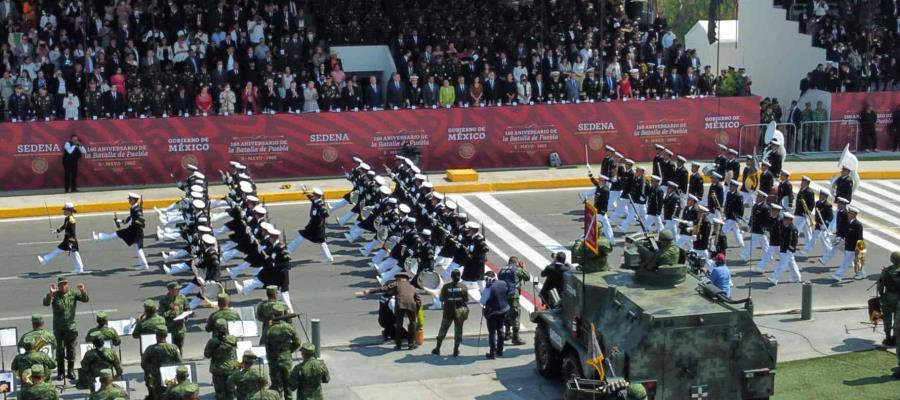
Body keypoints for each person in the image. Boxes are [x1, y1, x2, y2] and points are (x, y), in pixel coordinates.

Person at [41, 276, 88, 380]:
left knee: (71, 351)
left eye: (65, 284)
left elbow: (85, 300)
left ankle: (70, 371)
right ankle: (60, 373)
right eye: (61, 285)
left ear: (68, 285)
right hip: (59, 328)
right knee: (60, 352)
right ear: (58, 286)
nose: (63, 286)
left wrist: (82, 291)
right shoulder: (55, 295)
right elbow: (45, 303)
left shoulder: (73, 294)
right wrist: (50, 294)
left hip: (71, 328)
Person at [361, 272, 420, 350]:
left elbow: (384, 289)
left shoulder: (396, 284)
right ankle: (411, 344)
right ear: (406, 279)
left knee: (399, 324)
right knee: (412, 323)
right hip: (411, 305)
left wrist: (370, 291)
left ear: (398, 278)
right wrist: (417, 310)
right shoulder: (412, 286)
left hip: (399, 305)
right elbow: (418, 299)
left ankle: (398, 345)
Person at [93, 193, 149, 270]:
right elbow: (130, 218)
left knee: (116, 234)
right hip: (134, 230)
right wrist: (120, 221)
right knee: (138, 248)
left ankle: (99, 237)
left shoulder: (136, 209)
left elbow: (140, 220)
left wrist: (132, 223)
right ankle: (144, 265)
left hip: (135, 231)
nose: (129, 200)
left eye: (130, 199)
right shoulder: (134, 208)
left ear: (133, 200)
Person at [261, 304, 300, 398]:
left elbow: (263, 342)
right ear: (283, 313)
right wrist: (289, 350)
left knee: (276, 386)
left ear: (273, 314)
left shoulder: (269, 329)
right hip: (286, 359)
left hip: (274, 360)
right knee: (288, 385)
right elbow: (298, 342)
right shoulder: (289, 327)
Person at [286, 188, 333, 263]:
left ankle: (288, 250)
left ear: (317, 196)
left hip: (316, 226)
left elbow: (325, 213)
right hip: (314, 225)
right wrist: (305, 192)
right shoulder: (315, 201)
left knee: (302, 236)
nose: (312, 195)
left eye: (314, 194)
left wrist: (323, 215)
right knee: (321, 241)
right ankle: (329, 257)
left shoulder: (320, 204)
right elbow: (311, 198)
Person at [37, 203, 85, 274]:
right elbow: (64, 226)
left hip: (70, 240)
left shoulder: (71, 219)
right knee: (72, 253)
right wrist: (56, 231)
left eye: (65, 210)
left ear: (69, 211)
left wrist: (71, 241)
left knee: (73, 253)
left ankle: (45, 260)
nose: (64, 212)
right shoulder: (67, 218)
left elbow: (73, 232)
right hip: (67, 239)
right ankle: (79, 268)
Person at [431, 269, 469, 357]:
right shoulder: (463, 287)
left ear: (451, 277)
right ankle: (455, 350)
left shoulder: (446, 287)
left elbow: (441, 299)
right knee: (458, 331)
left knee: (443, 330)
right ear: (459, 277)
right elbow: (466, 300)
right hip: (459, 312)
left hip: (448, 312)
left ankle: (437, 348)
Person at [141, 327, 182, 400]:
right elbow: (179, 363)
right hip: (170, 378)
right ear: (166, 336)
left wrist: (154, 369)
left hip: (156, 379)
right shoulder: (174, 348)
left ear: (156, 336)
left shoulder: (150, 349)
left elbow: (143, 364)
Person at [498, 256, 531, 345]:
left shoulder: (502, 270)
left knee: (506, 313)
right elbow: (527, 277)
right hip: (513, 295)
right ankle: (516, 338)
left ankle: (507, 333)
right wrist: (523, 268)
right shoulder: (517, 269)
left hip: (503, 295)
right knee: (516, 314)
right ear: (516, 262)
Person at [204, 319, 238, 400]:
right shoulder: (232, 339)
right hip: (230, 368)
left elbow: (207, 355)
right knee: (231, 391)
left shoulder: (213, 341)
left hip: (217, 370)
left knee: (220, 392)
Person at [480, 271, 510, 359]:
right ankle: (500, 351)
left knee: (492, 332)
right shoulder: (503, 283)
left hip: (492, 313)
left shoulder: (489, 288)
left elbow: (483, 301)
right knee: (500, 330)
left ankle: (492, 352)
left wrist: (487, 287)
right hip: (503, 310)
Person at [832, 207, 866, 281]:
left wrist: (859, 249)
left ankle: (838, 274)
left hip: (855, 246)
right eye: (849, 213)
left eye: (851, 213)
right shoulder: (847, 222)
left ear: (855, 215)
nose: (849, 214)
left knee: (851, 261)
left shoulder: (858, 224)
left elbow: (860, 237)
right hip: (848, 245)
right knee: (854, 261)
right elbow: (844, 232)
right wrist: (839, 238)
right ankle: (862, 273)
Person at [769, 212, 801, 285]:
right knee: (791, 263)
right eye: (784, 218)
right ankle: (797, 277)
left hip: (788, 250)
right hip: (784, 248)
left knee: (781, 264)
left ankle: (774, 278)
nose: (784, 220)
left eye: (786, 219)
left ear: (790, 220)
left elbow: (795, 241)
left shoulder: (793, 229)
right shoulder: (785, 226)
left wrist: (789, 249)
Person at [158, 282, 189, 352]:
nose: (178, 291)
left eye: (179, 289)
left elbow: (186, 308)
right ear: (170, 290)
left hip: (181, 329)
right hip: (170, 329)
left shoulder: (182, 297)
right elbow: (161, 314)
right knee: (170, 349)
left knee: (179, 349)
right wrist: (171, 312)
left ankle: (180, 361)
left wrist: (188, 314)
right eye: (176, 289)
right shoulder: (164, 300)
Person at [877, 252, 900, 346]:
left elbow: (880, 286)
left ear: (892, 260)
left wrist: (882, 294)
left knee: (887, 318)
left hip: (888, 297)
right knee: (898, 319)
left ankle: (888, 338)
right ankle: (895, 338)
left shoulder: (886, 271)